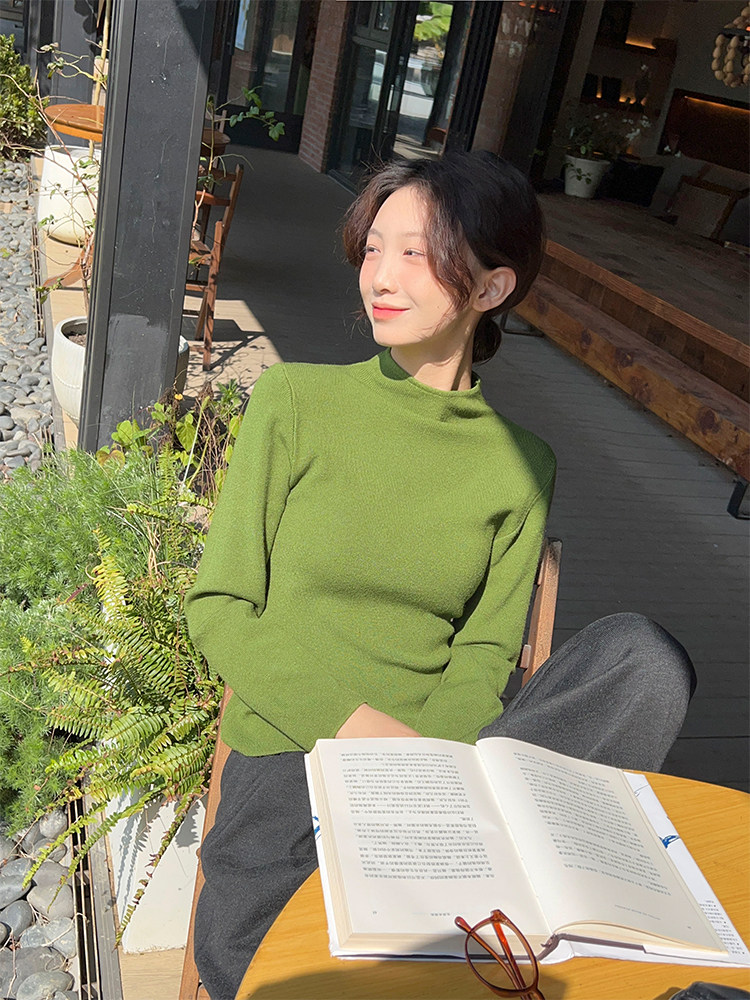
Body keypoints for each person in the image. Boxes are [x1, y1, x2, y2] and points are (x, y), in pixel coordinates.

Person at [184, 151, 696, 1000]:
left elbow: (486, 653)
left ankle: (516, 862)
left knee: (643, 660)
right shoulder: (296, 403)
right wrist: (362, 734)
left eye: (415, 254)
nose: (380, 277)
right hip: (293, 739)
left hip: (445, 765)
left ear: (492, 287)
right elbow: (220, 608)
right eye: (372, 248)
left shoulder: (520, 465)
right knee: (250, 958)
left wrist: (434, 767)